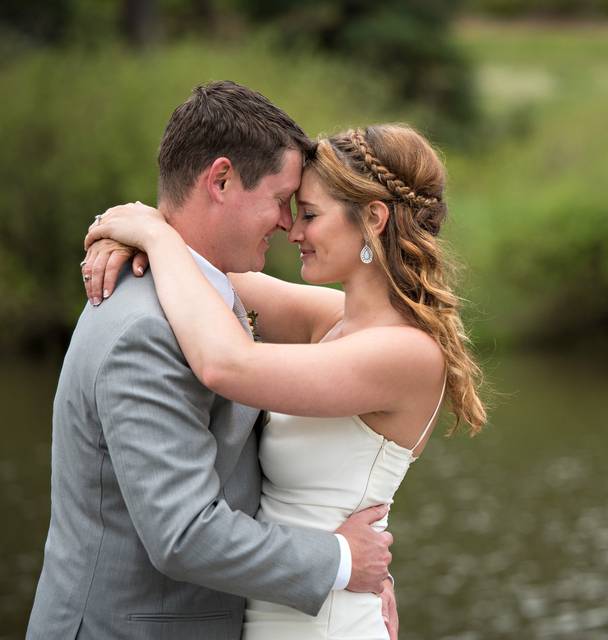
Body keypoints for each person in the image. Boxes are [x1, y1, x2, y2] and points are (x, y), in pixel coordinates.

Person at [82, 122, 487, 639]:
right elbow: (209, 275)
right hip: (281, 607)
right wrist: (126, 233)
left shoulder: (404, 353)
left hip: (328, 622)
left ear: (373, 219)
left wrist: (155, 237)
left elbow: (225, 365)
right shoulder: (332, 320)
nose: (292, 232)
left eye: (310, 216)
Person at [26, 81, 395, 640]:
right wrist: (342, 561)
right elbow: (184, 534)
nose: (286, 224)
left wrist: (150, 231)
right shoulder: (145, 328)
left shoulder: (209, 296)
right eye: (278, 200)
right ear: (221, 180)